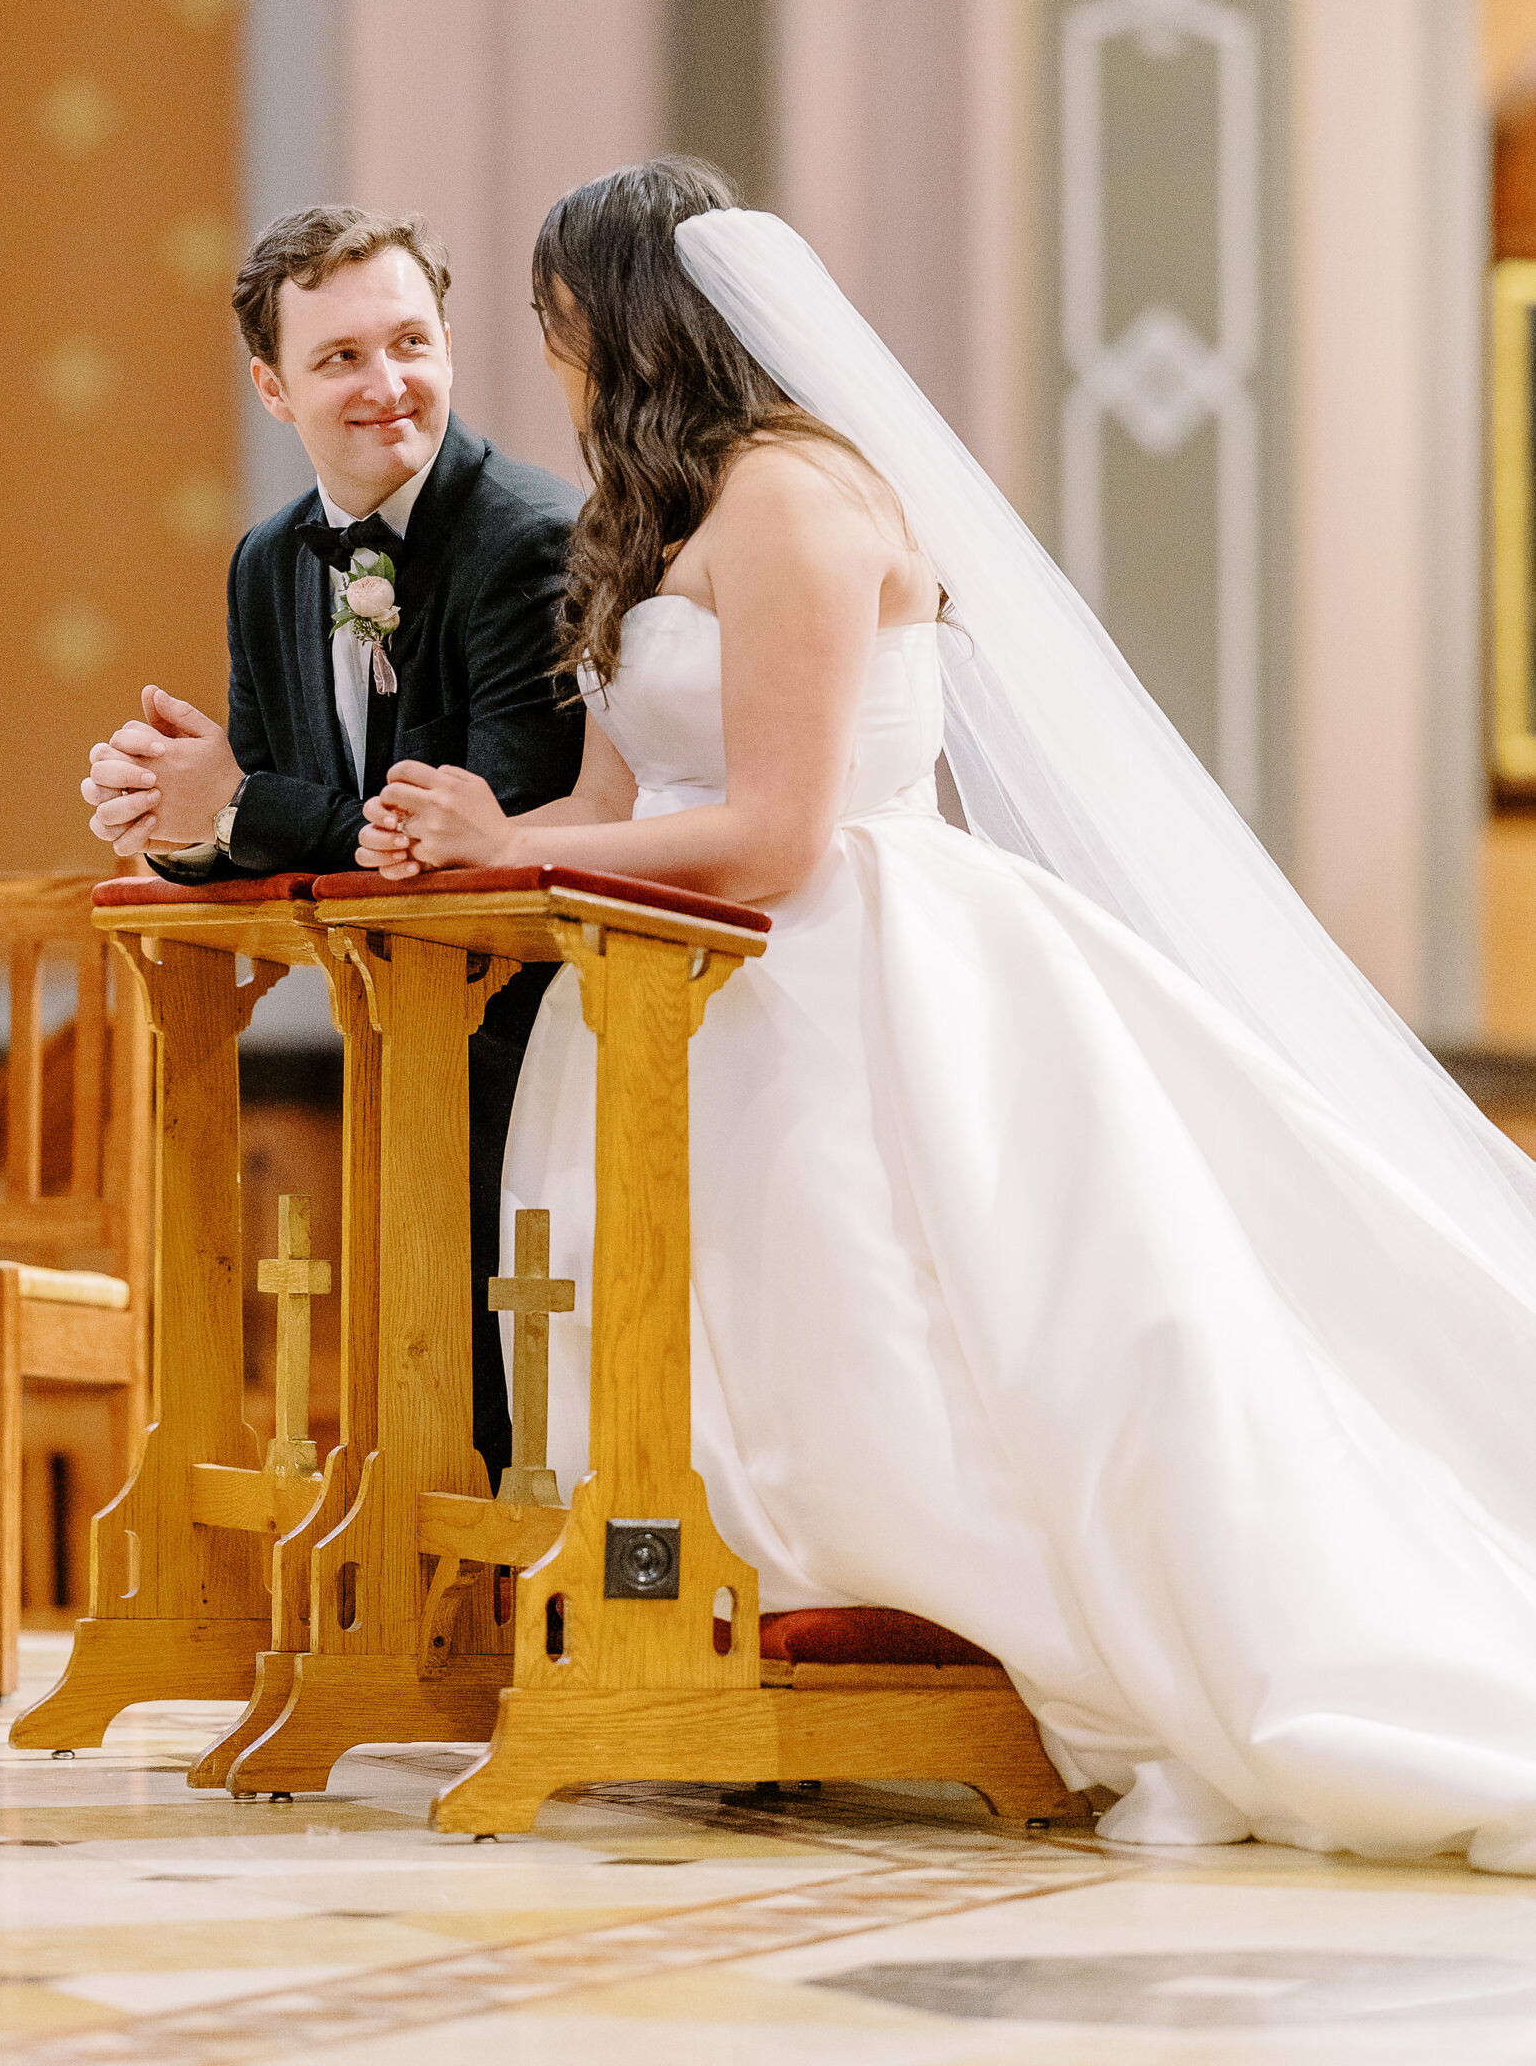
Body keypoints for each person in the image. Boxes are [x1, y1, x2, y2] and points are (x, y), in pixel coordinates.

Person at [354, 154, 1536, 1874]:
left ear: (622, 320)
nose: (557, 362)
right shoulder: (652, 519)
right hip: (658, 989)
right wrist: (467, 834)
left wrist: (523, 857)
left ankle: (937, 1658)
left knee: (901, 1321)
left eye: (559, 325)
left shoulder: (798, 500)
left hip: (838, 980)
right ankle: (712, 1656)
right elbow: (615, 799)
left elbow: (777, 832)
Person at [81, 205, 584, 1482]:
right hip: (387, 1037)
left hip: (533, 1036)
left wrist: (237, 799)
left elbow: (482, 834)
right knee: (423, 1403)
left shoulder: (528, 536)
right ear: (273, 387)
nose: (386, 383)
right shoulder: (266, 564)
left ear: (450, 342)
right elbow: (269, 820)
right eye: (341, 357)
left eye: (409, 341)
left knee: (516, 1401)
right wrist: (178, 825)